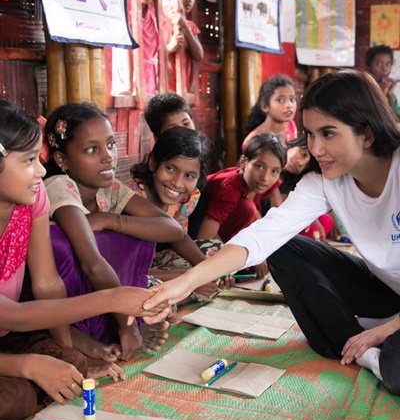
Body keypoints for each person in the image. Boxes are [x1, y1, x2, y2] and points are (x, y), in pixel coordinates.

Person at [143, 69, 400, 396]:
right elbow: (263, 235)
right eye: (310, 134)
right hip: (387, 294)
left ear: (367, 134)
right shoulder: (324, 180)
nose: (316, 148)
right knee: (283, 247)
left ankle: (379, 345)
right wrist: (187, 282)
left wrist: (389, 328)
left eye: (328, 134)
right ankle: (358, 346)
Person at [0, 99, 168, 420]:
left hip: (7, 336)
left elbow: (48, 284)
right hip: (12, 324)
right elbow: (13, 316)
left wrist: (69, 355)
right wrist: (113, 298)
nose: (40, 171)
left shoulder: (33, 198)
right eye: (29, 160)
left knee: (71, 367)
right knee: (16, 399)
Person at [43, 102, 183, 364]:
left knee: (157, 292)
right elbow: (92, 264)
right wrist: (128, 326)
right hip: (56, 299)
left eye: (110, 144)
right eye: (92, 149)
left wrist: (111, 220)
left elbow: (172, 229)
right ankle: (89, 334)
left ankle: (114, 326)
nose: (108, 157)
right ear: (62, 160)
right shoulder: (58, 187)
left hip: (97, 292)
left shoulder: (108, 188)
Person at [129, 127, 229, 301]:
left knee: (214, 250)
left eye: (189, 176)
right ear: (153, 162)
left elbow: (179, 237)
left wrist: (210, 270)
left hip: (157, 262)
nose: (177, 183)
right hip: (128, 269)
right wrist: (190, 279)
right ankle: (184, 295)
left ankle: (185, 294)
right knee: (145, 288)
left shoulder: (186, 198)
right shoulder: (132, 199)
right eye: (170, 168)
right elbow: (127, 269)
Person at [189, 133, 286, 278]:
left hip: (221, 229)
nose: (265, 178)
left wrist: (261, 250)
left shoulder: (258, 183)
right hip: (193, 229)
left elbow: (262, 217)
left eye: (274, 171)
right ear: (244, 162)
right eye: (259, 166)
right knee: (247, 209)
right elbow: (204, 237)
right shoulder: (229, 187)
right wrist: (233, 261)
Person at [266, 134, 335, 240]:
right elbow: (277, 206)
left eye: (306, 166)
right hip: (261, 214)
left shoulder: (293, 181)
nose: (300, 163)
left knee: (325, 220)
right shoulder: (269, 155)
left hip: (283, 219)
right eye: (303, 154)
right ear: (296, 143)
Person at [162, 0, 203, 93]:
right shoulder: (158, 22)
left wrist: (185, 27)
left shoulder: (190, 26)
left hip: (183, 91)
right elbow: (150, 55)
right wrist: (169, 48)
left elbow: (199, 55)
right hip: (162, 88)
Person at [241, 75, 298, 151]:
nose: (289, 105)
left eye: (292, 99)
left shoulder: (290, 125)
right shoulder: (253, 140)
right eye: (280, 100)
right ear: (265, 106)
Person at [365, 44, 400, 120]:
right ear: (368, 67)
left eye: (388, 64)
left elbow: (396, 120)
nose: (384, 69)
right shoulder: (363, 91)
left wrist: (389, 96)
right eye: (379, 64)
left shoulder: (391, 94)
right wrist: (381, 94)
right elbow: (373, 120)